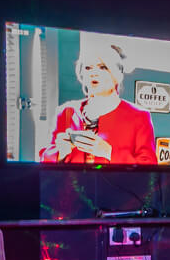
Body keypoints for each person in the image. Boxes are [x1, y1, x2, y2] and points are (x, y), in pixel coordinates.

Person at [41, 33, 158, 165]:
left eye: (102, 67)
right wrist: (60, 153)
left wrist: (108, 152)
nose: (93, 73)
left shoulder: (139, 115)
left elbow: (148, 165)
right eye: (88, 68)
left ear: (117, 74)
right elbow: (44, 159)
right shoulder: (65, 111)